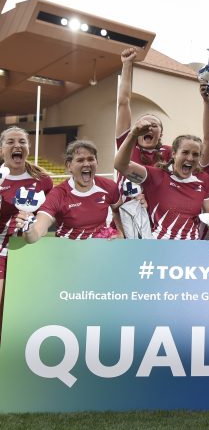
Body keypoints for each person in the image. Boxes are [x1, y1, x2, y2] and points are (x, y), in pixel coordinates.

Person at [114, 118, 209, 239]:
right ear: (173, 154)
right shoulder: (156, 175)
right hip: (160, 247)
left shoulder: (203, 179)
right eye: (185, 152)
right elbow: (120, 165)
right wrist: (133, 134)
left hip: (191, 248)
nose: (190, 158)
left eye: (195, 154)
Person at [16, 140, 121, 243]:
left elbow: (118, 212)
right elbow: (38, 231)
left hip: (99, 250)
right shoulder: (58, 194)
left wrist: (120, 233)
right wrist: (29, 230)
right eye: (80, 160)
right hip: (68, 251)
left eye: (91, 159)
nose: (87, 164)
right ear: (69, 166)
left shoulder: (109, 186)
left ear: (97, 163)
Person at [0, 127, 53, 305]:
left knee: (21, 308)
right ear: (2, 149)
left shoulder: (43, 180)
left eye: (22, 142)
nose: (17, 145)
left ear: (28, 147)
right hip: (1, 249)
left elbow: (47, 219)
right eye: (10, 142)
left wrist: (33, 226)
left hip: (28, 250)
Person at [116, 48, 172, 167]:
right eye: (144, 124)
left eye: (154, 125)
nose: (148, 127)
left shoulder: (169, 152)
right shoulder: (127, 145)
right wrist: (127, 64)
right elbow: (123, 102)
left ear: (161, 133)